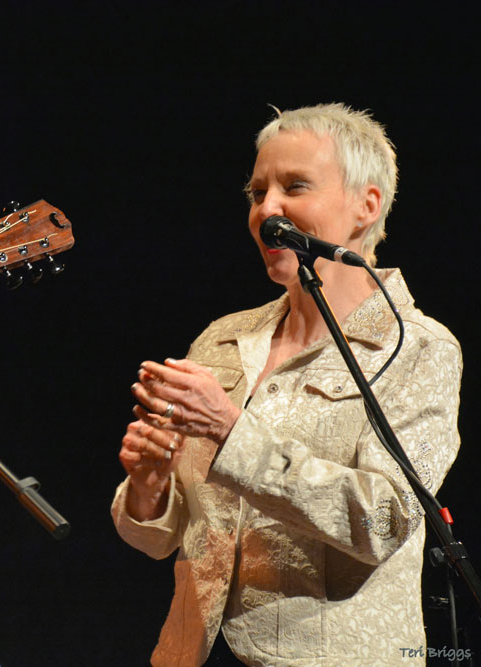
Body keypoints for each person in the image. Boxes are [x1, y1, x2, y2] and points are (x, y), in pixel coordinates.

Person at [111, 103, 461, 665]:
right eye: (257, 193)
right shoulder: (223, 339)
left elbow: (385, 521)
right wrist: (148, 486)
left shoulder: (418, 348)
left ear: (366, 205)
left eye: (295, 186)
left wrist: (233, 435)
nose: (267, 209)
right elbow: (157, 537)